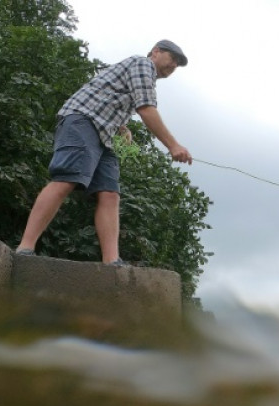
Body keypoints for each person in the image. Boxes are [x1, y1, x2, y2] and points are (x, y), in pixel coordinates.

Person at [15, 40, 193, 265]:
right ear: (156, 52)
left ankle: (112, 261)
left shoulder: (141, 74)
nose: (174, 65)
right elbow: (146, 108)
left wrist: (122, 127)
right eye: (173, 58)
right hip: (82, 120)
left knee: (109, 194)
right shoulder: (143, 64)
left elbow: (109, 95)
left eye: (178, 64)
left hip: (103, 135)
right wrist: (173, 145)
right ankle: (25, 247)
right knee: (66, 179)